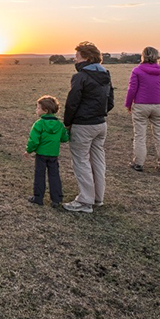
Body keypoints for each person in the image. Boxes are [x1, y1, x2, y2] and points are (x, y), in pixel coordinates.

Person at [62, 41, 114, 213]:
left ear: (85, 57)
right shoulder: (106, 74)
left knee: (81, 161)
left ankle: (85, 201)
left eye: (77, 57)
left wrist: (68, 122)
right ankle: (98, 197)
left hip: (83, 125)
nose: (75, 60)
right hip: (101, 124)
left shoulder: (80, 77)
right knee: (98, 161)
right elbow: (110, 101)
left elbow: (72, 102)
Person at [124, 46, 160, 173]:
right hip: (158, 106)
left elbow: (132, 89)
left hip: (140, 105)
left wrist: (128, 104)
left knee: (140, 135)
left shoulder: (137, 71)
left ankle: (138, 162)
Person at [25, 95, 70, 207]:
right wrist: (67, 132)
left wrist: (29, 150)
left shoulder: (39, 124)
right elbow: (64, 139)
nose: (36, 110)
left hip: (41, 154)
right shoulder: (59, 125)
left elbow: (33, 141)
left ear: (45, 110)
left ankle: (38, 198)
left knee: (39, 175)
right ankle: (56, 199)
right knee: (54, 176)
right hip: (53, 155)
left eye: (38, 108)